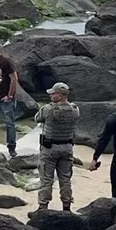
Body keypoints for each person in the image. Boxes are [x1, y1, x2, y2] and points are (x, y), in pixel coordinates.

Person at [35, 82, 79, 211]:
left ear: (60, 95)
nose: (50, 96)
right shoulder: (75, 109)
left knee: (46, 179)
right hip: (67, 147)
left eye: (53, 94)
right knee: (65, 179)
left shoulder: (48, 109)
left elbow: (37, 118)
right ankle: (67, 206)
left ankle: (43, 207)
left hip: (50, 148)